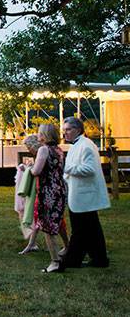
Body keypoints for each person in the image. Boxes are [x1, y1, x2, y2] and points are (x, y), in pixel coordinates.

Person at [61, 116, 110, 269]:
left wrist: (66, 169)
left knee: (81, 230)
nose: (65, 133)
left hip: (84, 194)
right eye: (64, 130)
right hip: (79, 193)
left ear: (78, 129)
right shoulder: (77, 145)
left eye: (68, 130)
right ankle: (99, 258)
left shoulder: (86, 146)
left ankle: (73, 260)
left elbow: (89, 170)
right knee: (91, 229)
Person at [29, 123, 70, 273]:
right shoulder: (58, 150)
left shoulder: (44, 149)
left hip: (48, 192)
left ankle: (55, 262)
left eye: (39, 133)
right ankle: (67, 248)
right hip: (59, 189)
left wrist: (29, 168)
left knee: (47, 226)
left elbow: (36, 171)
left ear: (45, 135)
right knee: (57, 222)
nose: (37, 135)